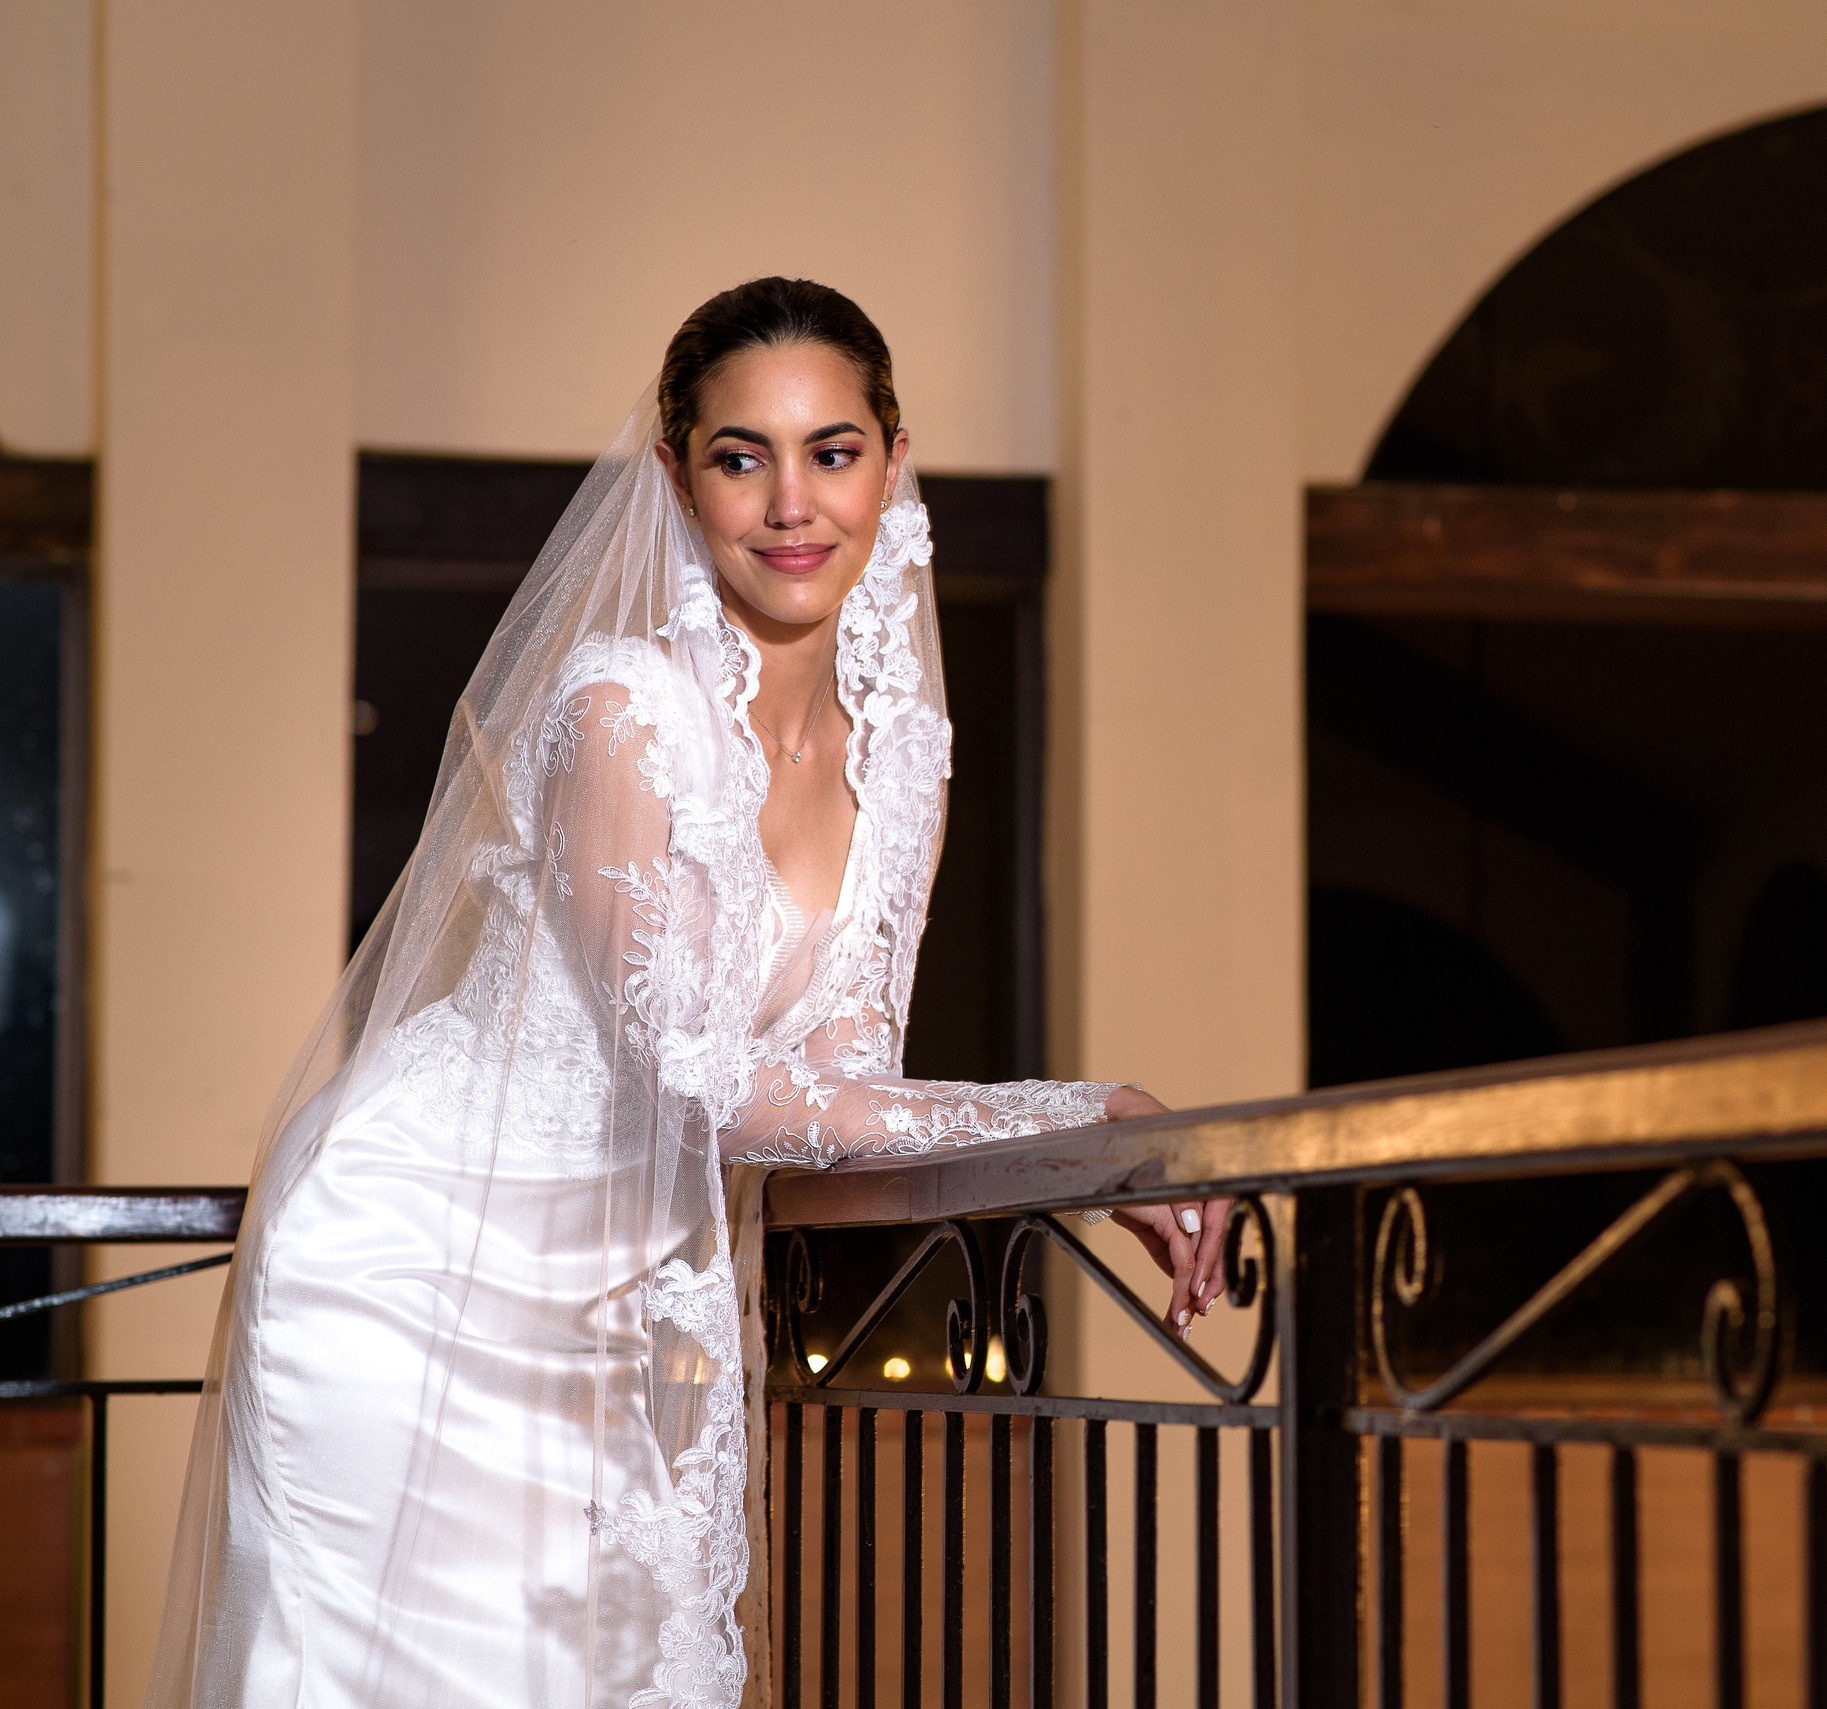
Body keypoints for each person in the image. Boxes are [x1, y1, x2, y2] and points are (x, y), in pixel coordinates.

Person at [146, 278, 1228, 1709]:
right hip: (411, 1266)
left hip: (626, 1285)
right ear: (678, 476)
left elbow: (849, 1082)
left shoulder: (904, 758)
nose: (792, 504)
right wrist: (1096, 1111)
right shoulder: (618, 710)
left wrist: (1087, 1153)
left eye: (832, 452)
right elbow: (709, 1087)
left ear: (893, 465)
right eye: (742, 457)